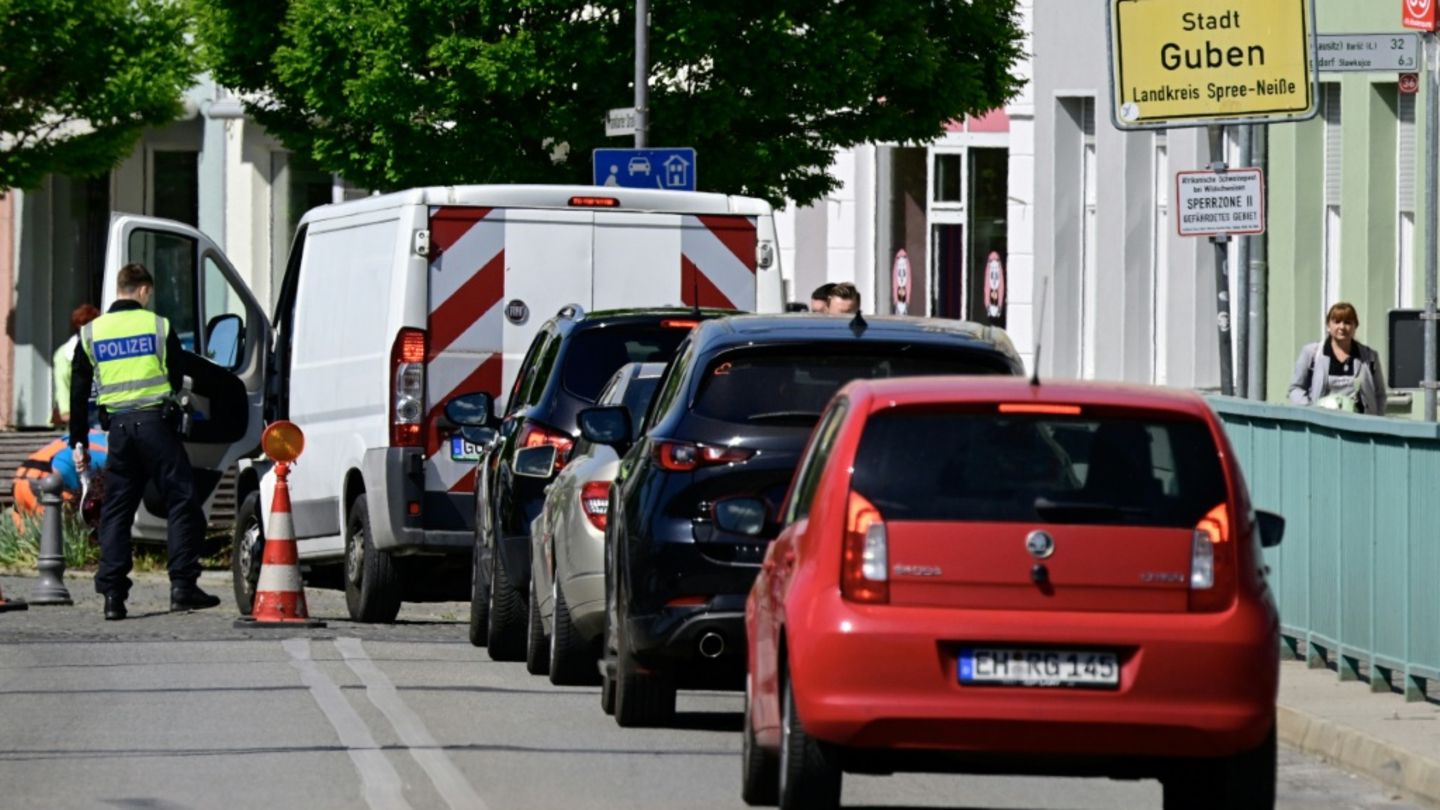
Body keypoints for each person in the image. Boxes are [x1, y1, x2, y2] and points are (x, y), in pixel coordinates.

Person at [70, 262, 219, 620]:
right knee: (182, 499)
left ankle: (113, 596)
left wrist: (80, 443)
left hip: (118, 431)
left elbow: (78, 393)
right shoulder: (158, 325)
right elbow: (176, 376)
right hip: (155, 426)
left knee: (118, 510)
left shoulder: (92, 333)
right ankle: (183, 587)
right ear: (143, 291)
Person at [1288, 302, 1387, 415]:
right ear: (1328, 326)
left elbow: (1380, 395)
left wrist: (1376, 422)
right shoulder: (1312, 353)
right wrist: (1310, 411)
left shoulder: (1369, 357)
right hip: (1322, 424)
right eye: (1337, 322)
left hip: (1358, 426)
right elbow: (1295, 389)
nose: (1342, 327)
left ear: (1355, 326)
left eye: (1347, 322)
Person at [10, 429, 109, 528]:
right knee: (57, 536)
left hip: (21, 479)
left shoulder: (92, 434)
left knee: (27, 537)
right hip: (44, 482)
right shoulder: (108, 451)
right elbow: (60, 464)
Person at [52, 304, 102, 426]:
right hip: (79, 410)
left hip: (100, 409)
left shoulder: (102, 347)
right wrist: (65, 411)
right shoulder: (64, 353)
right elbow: (62, 383)